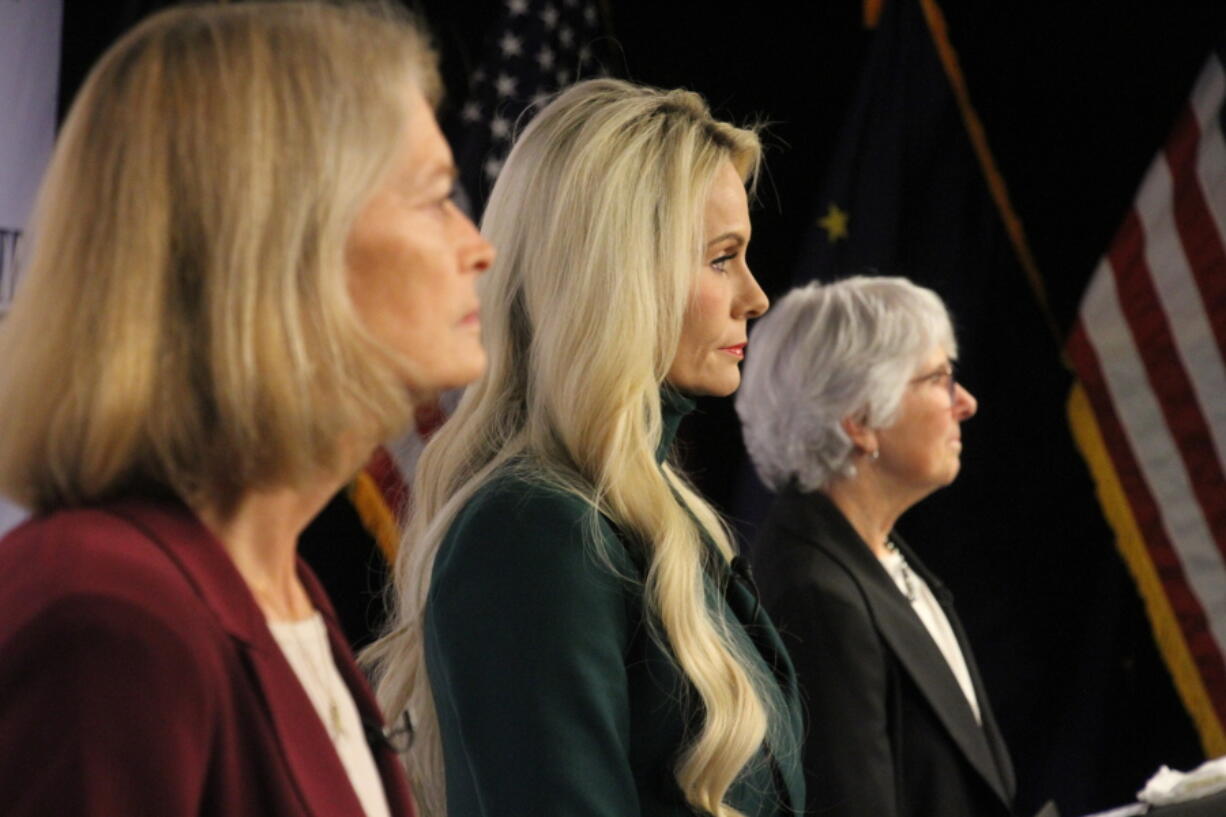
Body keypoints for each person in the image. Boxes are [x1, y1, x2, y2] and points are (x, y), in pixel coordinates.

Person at [0, 4, 493, 816]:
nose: (479, 244)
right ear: (280, 244)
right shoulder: (107, 619)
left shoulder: (279, 584)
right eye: (436, 197)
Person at [366, 78, 804, 817]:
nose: (756, 296)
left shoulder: (652, 513)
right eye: (722, 258)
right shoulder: (533, 531)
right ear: (621, 272)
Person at [735, 275, 1016, 817]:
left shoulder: (873, 556)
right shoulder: (817, 597)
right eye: (939, 379)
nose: (967, 403)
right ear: (861, 420)